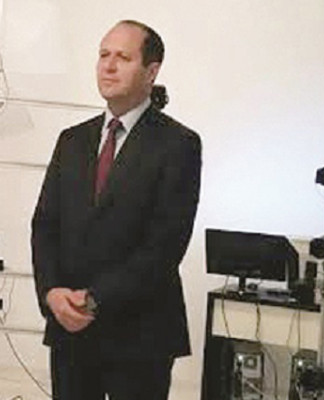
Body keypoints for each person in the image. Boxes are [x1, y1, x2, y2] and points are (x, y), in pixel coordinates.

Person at [31, 19, 202, 400]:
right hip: (70, 330)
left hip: (139, 334)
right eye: (103, 55)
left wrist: (95, 299)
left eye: (123, 57)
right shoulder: (72, 140)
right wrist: (51, 293)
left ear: (151, 71)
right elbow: (45, 225)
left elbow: (165, 245)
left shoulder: (178, 144)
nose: (108, 66)